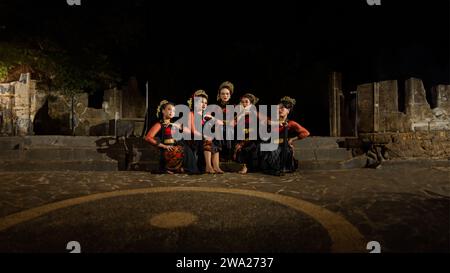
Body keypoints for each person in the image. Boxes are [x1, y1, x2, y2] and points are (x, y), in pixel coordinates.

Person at [259, 96, 310, 176]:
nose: (279, 110)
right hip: (271, 147)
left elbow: (306, 133)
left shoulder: (290, 123)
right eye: (278, 108)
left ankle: (282, 166)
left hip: (283, 147)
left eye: (282, 108)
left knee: (284, 151)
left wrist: (292, 139)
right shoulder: (270, 120)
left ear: (288, 111)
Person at [187, 90, 224, 174]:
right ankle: (208, 166)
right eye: (201, 102)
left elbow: (220, 123)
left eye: (205, 103)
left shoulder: (206, 114)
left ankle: (216, 166)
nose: (204, 104)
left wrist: (213, 118)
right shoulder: (191, 114)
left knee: (215, 140)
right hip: (195, 138)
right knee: (208, 139)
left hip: (205, 137)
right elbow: (192, 130)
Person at [144, 100, 185, 174]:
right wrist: (164, 146)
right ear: (163, 111)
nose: (171, 112)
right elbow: (148, 138)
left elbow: (185, 131)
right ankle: (169, 167)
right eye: (169, 109)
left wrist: (174, 125)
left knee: (185, 149)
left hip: (177, 149)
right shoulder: (159, 124)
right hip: (167, 151)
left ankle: (179, 167)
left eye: (173, 110)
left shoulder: (175, 124)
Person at [233, 93, 260, 174]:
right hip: (242, 138)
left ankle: (246, 166)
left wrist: (242, 143)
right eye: (242, 102)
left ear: (251, 104)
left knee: (248, 148)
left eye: (246, 102)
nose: (244, 104)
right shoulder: (239, 115)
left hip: (252, 140)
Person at [216, 81, 235, 162]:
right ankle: (220, 153)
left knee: (228, 130)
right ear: (219, 95)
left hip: (230, 128)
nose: (225, 95)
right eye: (223, 94)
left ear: (230, 95)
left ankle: (229, 154)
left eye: (227, 94)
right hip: (219, 128)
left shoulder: (234, 107)